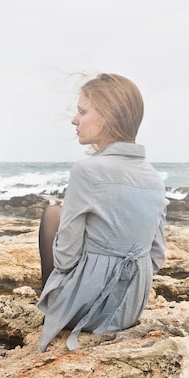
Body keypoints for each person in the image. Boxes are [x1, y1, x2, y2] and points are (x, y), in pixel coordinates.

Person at [37, 73, 168, 352]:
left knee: (52, 214)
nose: (75, 120)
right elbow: (156, 257)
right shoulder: (154, 177)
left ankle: (52, 308)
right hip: (129, 310)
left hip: (87, 312)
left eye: (82, 112)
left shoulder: (86, 171)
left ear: (107, 116)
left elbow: (66, 258)